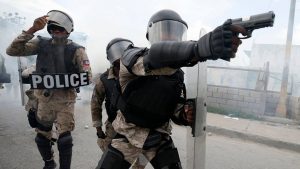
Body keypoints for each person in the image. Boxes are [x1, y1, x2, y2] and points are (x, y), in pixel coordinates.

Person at [96, 9, 246, 169]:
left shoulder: (178, 75)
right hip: (128, 135)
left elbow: (174, 110)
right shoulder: (131, 58)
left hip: (159, 137)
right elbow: (155, 60)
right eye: (164, 31)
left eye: (174, 32)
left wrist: (185, 114)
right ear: (150, 36)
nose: (169, 37)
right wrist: (199, 48)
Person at [6, 10, 92, 169]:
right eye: (52, 29)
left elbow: (87, 75)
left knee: (65, 139)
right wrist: (32, 30)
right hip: (43, 99)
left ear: (68, 31)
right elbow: (12, 51)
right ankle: (49, 163)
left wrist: (71, 78)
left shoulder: (78, 50)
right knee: (41, 137)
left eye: (59, 29)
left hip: (65, 100)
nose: (55, 32)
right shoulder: (41, 43)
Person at [91, 38, 148, 169]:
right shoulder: (104, 80)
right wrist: (99, 130)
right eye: (118, 64)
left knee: (140, 161)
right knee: (111, 161)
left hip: (139, 127)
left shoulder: (139, 73)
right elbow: (95, 104)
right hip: (114, 128)